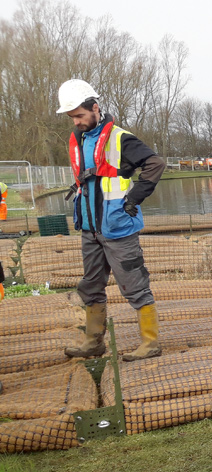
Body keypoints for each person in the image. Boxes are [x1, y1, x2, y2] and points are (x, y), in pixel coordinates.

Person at [58, 79, 166, 361]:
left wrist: (134, 199)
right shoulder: (80, 140)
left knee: (134, 285)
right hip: (90, 229)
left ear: (95, 108)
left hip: (118, 227)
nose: (77, 122)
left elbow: (155, 164)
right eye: (72, 118)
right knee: (91, 286)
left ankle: (150, 343)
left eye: (80, 115)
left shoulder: (121, 139)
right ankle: (93, 342)